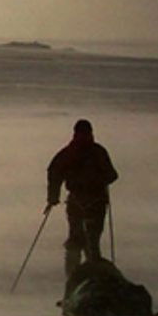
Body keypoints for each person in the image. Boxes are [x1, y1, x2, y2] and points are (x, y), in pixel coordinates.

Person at [45, 118, 119, 281]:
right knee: (88, 241)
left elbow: (54, 172)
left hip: (82, 202)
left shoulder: (69, 152)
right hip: (93, 202)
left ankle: (76, 282)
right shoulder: (98, 151)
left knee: (79, 242)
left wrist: (53, 198)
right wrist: (53, 197)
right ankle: (87, 281)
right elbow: (112, 175)